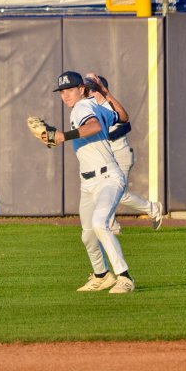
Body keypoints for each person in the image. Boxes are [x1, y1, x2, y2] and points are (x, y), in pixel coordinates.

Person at [45, 70, 135, 294]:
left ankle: (125, 278)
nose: (65, 95)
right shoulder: (96, 106)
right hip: (88, 182)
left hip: (107, 178)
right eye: (62, 92)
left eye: (69, 90)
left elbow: (93, 127)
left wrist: (63, 136)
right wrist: (106, 93)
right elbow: (123, 117)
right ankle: (102, 275)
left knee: (99, 224)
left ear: (82, 90)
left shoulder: (83, 107)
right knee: (87, 234)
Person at [85, 75, 163, 233]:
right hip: (107, 157)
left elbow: (125, 126)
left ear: (99, 90)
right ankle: (113, 228)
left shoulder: (109, 105)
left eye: (91, 89)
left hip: (121, 154)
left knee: (118, 194)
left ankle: (153, 209)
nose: (88, 93)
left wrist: (103, 134)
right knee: (103, 192)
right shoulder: (91, 108)